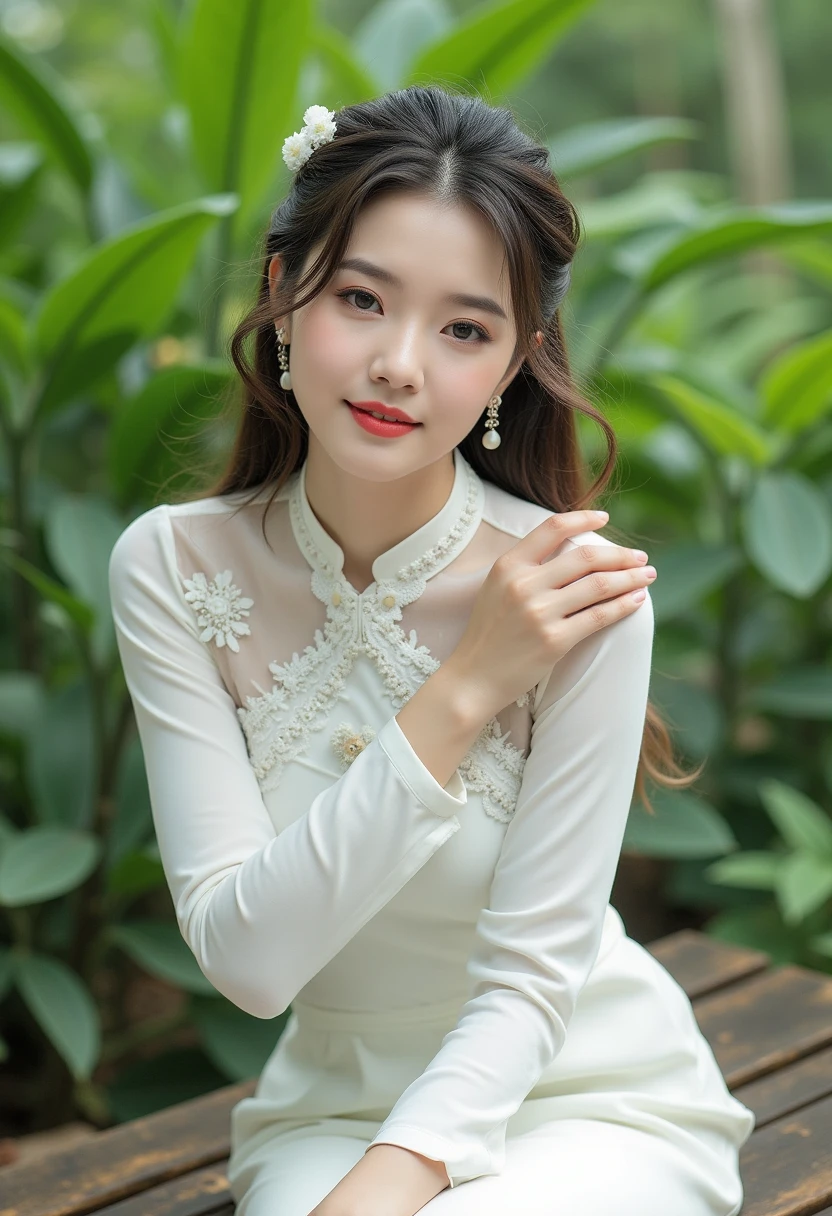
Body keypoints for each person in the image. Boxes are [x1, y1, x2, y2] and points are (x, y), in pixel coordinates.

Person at [108, 84, 755, 1216]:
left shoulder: (579, 596)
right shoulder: (172, 570)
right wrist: (464, 686)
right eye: (362, 298)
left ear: (515, 360)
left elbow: (529, 984)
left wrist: (378, 1199)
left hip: (585, 1097)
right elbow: (249, 964)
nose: (399, 364)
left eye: (464, 327)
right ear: (283, 290)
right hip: (329, 1109)